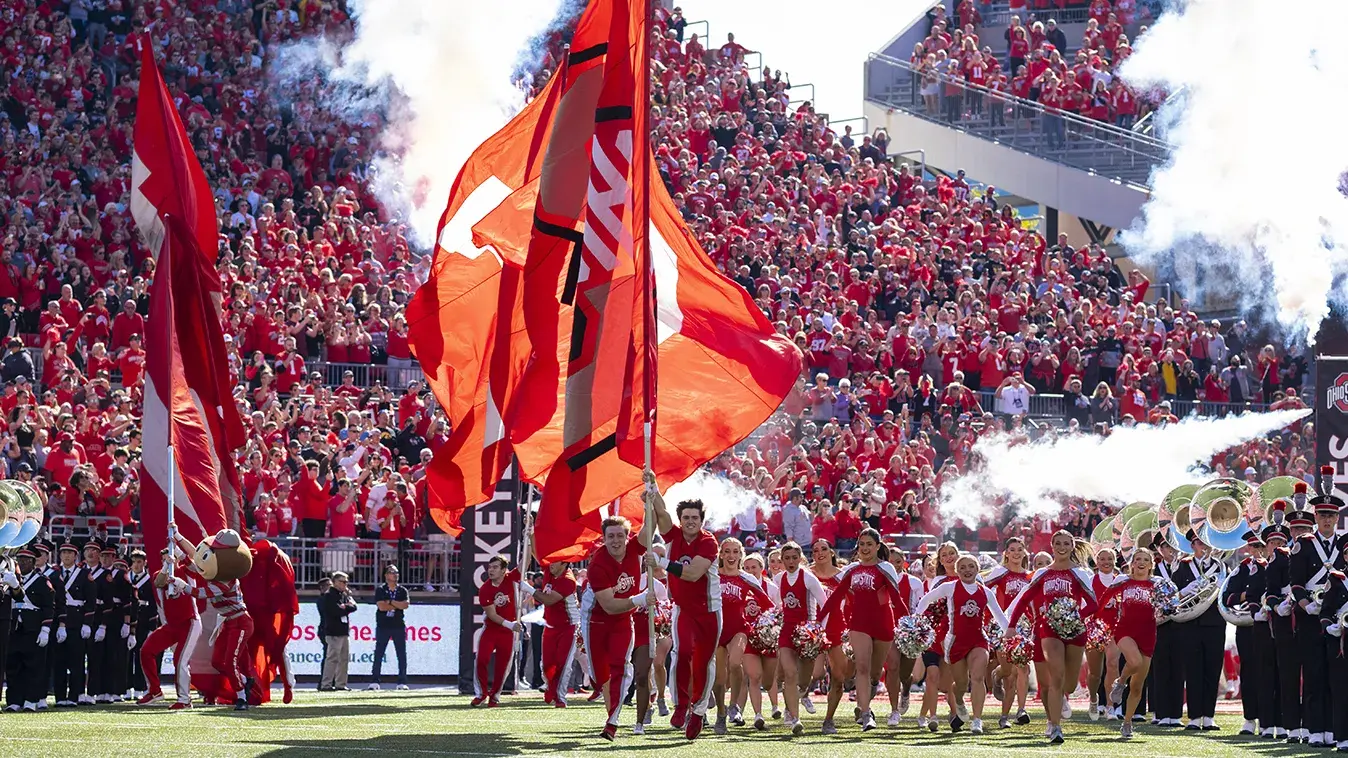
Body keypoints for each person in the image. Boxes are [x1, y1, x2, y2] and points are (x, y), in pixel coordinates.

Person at [645, 477, 722, 740]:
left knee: (703, 662)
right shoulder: (674, 534)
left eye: (695, 518)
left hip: (709, 610)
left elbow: (692, 574)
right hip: (683, 609)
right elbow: (662, 512)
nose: (690, 521)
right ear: (681, 519)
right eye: (686, 517)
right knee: (682, 653)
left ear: (702, 520)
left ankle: (698, 711)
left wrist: (662, 562)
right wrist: (652, 487)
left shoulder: (708, 541)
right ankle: (680, 705)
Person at [1007, 530, 1097, 744]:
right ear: (1052, 545)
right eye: (1058, 543)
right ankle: (1055, 727)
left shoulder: (1080, 573)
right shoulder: (1042, 573)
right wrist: (1011, 626)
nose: (1062, 547)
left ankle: (1062, 703)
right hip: (1048, 629)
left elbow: (1093, 604)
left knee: (1069, 685)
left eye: (1066, 543)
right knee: (1055, 678)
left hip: (1075, 631)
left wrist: (1074, 615)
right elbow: (1024, 599)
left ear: (1072, 546)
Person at [817, 529, 906, 733]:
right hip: (858, 624)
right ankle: (866, 714)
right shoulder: (852, 570)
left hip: (883, 624)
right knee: (862, 668)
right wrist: (818, 620)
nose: (865, 548)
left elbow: (896, 599)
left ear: (877, 546)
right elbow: (836, 597)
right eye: (862, 544)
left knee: (875, 674)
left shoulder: (886, 568)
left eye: (869, 544)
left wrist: (909, 622)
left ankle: (868, 699)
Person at [916, 552, 1010, 735]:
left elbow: (1000, 617)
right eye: (963, 567)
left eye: (971, 567)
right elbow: (926, 599)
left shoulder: (985, 592)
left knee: (977, 677)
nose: (967, 570)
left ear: (977, 569)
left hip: (978, 640)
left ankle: (977, 720)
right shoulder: (950, 587)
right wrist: (916, 621)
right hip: (955, 642)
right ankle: (958, 701)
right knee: (960, 684)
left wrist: (1011, 635)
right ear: (957, 571)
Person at [580, 515, 653, 741]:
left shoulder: (634, 549)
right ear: (603, 538)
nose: (615, 540)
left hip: (623, 620)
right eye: (610, 536)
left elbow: (650, 527)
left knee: (621, 667)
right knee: (599, 676)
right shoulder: (597, 564)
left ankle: (612, 722)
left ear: (627, 536)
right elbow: (609, 606)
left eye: (620, 535)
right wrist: (639, 600)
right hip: (596, 621)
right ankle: (600, 687)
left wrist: (651, 496)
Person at [1289, 476, 1346, 747]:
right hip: (1310, 619)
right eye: (1322, 514)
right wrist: (1305, 605)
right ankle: (1315, 730)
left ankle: (1336, 731)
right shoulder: (1304, 544)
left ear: (1337, 518)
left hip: (1339, 619)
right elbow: (1296, 583)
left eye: (1331, 515)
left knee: (1337, 678)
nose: (1326, 519)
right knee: (1313, 675)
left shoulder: (1345, 543)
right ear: (1316, 515)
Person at [1264, 501, 1314, 743]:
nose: (1299, 533)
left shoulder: (1316, 550)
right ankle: (1293, 727)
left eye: (1305, 528)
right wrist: (1277, 606)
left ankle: (1313, 726)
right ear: (1289, 531)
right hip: (1286, 622)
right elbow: (1271, 590)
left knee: (1315, 676)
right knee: (1288, 676)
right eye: (1295, 529)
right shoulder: (1280, 556)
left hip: (1312, 619)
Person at [1099, 547, 1161, 738]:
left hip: (1148, 634)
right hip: (1125, 630)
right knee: (1134, 662)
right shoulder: (1122, 581)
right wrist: (1097, 622)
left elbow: (1170, 604)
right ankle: (1120, 682)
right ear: (1131, 563)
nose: (1141, 563)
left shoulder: (1158, 583)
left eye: (1145, 560)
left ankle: (1127, 722)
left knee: (1138, 685)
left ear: (1151, 565)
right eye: (1137, 559)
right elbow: (1102, 601)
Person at [712, 537, 771, 734]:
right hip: (716, 631)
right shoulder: (712, 576)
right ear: (721, 554)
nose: (731, 556)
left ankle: (734, 705)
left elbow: (768, 603)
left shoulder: (747, 578)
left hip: (739, 628)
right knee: (719, 679)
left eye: (735, 552)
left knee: (736, 663)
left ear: (741, 554)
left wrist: (767, 625)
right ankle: (721, 714)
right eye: (727, 551)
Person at [773, 540, 827, 737]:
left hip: (807, 633)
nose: (790, 561)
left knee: (804, 682)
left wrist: (819, 629)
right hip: (787, 630)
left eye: (794, 557)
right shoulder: (778, 579)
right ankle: (794, 717)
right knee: (790, 673)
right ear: (781, 560)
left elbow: (825, 604)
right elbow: (778, 603)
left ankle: (797, 699)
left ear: (800, 558)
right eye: (786, 558)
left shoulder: (809, 578)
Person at [137, 549, 201, 710]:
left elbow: (195, 568)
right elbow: (159, 582)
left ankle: (185, 699)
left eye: (169, 555)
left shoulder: (184, 571)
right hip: (171, 625)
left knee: (180, 660)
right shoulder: (160, 573)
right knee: (146, 651)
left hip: (189, 622)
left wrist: (180, 553)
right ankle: (154, 690)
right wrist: (167, 566)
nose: (168, 558)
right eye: (164, 556)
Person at [984, 537, 1033, 728]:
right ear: (1006, 553)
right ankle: (997, 675)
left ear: (1024, 552)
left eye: (1020, 549)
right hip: (1003, 625)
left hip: (1024, 626)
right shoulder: (1000, 572)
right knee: (1008, 673)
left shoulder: (1030, 576)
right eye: (1012, 549)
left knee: (1022, 669)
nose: (1016, 553)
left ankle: (1020, 711)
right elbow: (980, 587)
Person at [1223, 530, 1268, 736]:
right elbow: (1227, 598)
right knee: (1248, 672)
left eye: (1261, 547)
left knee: (1270, 672)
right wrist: (1248, 595)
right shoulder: (1241, 570)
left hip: (1269, 625)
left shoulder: (1277, 565)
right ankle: (1250, 719)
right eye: (1254, 547)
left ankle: (1270, 720)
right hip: (1247, 626)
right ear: (1248, 549)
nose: (1258, 551)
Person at [3, 548, 53, 712]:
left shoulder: (42, 581)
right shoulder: (9, 579)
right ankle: (14, 700)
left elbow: (48, 607)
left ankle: (31, 700)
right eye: (20, 559)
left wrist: (45, 628)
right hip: (14, 627)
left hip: (33, 627)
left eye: (26, 560)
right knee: (13, 665)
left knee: (34, 666)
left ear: (33, 562)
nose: (23, 562)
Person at [474, 556, 521, 707]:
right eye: (490, 567)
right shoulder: (485, 589)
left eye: (495, 567)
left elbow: (525, 562)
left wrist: (529, 538)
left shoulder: (511, 578)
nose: (491, 570)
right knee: (481, 659)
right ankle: (481, 693)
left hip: (507, 633)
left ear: (503, 570)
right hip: (491, 629)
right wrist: (510, 624)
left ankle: (494, 696)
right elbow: (492, 615)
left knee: (503, 666)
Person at [51, 542, 93, 708]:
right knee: (59, 661)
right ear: (60, 555)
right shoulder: (54, 574)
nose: (67, 556)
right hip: (59, 622)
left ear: (76, 556)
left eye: (70, 553)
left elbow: (90, 601)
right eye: (64, 553)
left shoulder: (84, 574)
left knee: (76, 662)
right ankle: (60, 696)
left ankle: (74, 695)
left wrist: (87, 623)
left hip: (77, 621)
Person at [1086, 547, 1125, 723]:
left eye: (1109, 558)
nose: (1106, 562)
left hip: (1114, 628)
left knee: (1112, 664)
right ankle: (1094, 699)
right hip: (1094, 628)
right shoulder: (1089, 580)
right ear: (1096, 561)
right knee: (1095, 673)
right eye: (1102, 559)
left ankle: (1111, 707)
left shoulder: (1121, 580)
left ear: (1114, 560)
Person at [533, 559, 579, 708]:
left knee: (563, 663)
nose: (550, 564)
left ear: (565, 564)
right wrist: (531, 536)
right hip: (551, 625)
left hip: (568, 626)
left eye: (555, 561)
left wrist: (529, 589)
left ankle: (560, 697)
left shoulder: (568, 580)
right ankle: (551, 686)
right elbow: (538, 553)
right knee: (546, 665)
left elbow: (548, 600)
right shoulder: (550, 571)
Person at [369, 564, 410, 691]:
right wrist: (397, 605)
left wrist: (391, 602)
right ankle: (375, 681)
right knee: (379, 653)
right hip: (383, 625)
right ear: (386, 575)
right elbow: (381, 607)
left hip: (398, 625)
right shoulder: (381, 590)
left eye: (396, 572)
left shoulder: (402, 590)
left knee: (401, 654)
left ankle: (402, 681)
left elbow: (405, 605)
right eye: (392, 572)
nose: (395, 575)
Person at [318, 571, 357, 692]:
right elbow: (334, 611)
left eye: (346, 582)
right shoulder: (329, 595)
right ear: (335, 582)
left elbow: (354, 606)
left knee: (344, 659)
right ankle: (326, 684)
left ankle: (341, 683)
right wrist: (346, 608)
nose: (345, 584)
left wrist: (345, 607)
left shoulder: (344, 594)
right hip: (333, 631)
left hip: (344, 631)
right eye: (342, 581)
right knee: (332, 658)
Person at [126, 549, 158, 699]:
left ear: (145, 563)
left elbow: (154, 605)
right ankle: (126, 687)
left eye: (139, 562)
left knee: (140, 655)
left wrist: (153, 627)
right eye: (134, 562)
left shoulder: (150, 580)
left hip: (144, 622)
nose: (136, 565)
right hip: (127, 621)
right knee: (125, 655)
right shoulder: (126, 578)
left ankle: (140, 687)